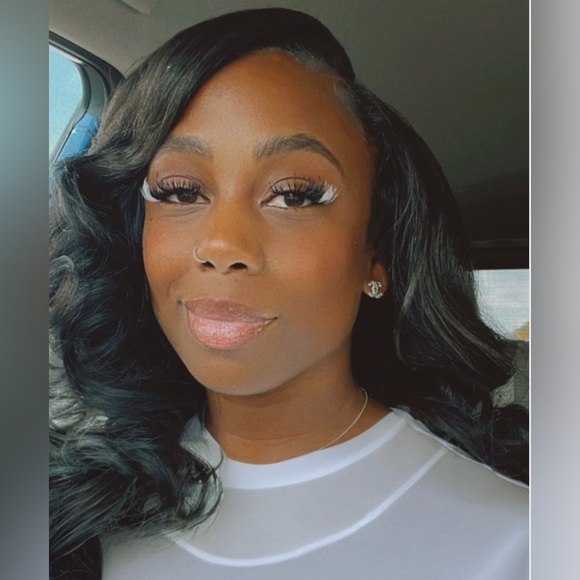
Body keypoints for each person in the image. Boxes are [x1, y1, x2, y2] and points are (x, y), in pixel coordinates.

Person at [49, 8, 528, 579]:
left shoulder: (520, 540)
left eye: (294, 195)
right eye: (179, 191)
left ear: (374, 251)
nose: (221, 244)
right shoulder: (83, 494)